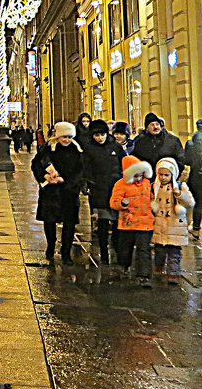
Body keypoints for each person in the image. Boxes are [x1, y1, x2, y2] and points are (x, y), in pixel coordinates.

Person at [31, 121, 86, 265]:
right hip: (51, 192)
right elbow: (36, 165)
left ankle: (66, 252)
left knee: (69, 223)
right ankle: (50, 246)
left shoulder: (77, 150)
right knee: (49, 221)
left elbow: (81, 171)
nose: (67, 140)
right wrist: (45, 176)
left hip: (69, 192)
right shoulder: (47, 149)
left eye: (69, 137)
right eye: (64, 137)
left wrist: (66, 180)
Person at [80, 119, 126, 266]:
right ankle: (104, 253)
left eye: (102, 134)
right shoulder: (88, 149)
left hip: (116, 189)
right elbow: (85, 168)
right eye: (97, 135)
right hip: (99, 190)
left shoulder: (115, 147)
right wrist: (87, 183)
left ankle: (118, 250)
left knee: (118, 222)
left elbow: (124, 163)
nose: (100, 138)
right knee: (103, 223)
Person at [110, 155, 154, 285]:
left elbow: (152, 198)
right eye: (136, 175)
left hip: (145, 222)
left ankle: (144, 274)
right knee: (125, 247)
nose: (139, 178)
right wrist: (122, 204)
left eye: (141, 175)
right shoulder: (120, 184)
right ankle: (124, 266)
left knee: (144, 249)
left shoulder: (147, 184)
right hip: (127, 222)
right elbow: (113, 202)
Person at [150, 157, 194, 285]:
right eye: (160, 174)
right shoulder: (155, 187)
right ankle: (158, 267)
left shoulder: (180, 186)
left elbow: (190, 202)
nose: (163, 177)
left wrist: (179, 194)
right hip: (159, 224)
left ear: (172, 174)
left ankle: (173, 273)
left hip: (175, 225)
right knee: (159, 250)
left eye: (166, 175)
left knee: (174, 252)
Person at [182, 119, 202, 237]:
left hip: (197, 175)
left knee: (199, 203)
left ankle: (196, 229)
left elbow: (187, 161)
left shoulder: (191, 143)